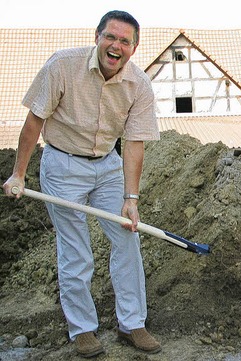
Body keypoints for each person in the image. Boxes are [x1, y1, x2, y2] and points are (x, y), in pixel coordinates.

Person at [3, 10, 161, 357]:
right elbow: (34, 121)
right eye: (110, 36)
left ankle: (132, 322)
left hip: (107, 165)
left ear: (134, 48)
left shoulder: (139, 85)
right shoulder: (63, 65)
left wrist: (130, 198)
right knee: (76, 250)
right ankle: (83, 330)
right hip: (62, 164)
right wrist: (19, 173)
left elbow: (135, 143)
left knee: (127, 236)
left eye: (124, 40)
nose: (115, 45)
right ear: (97, 37)